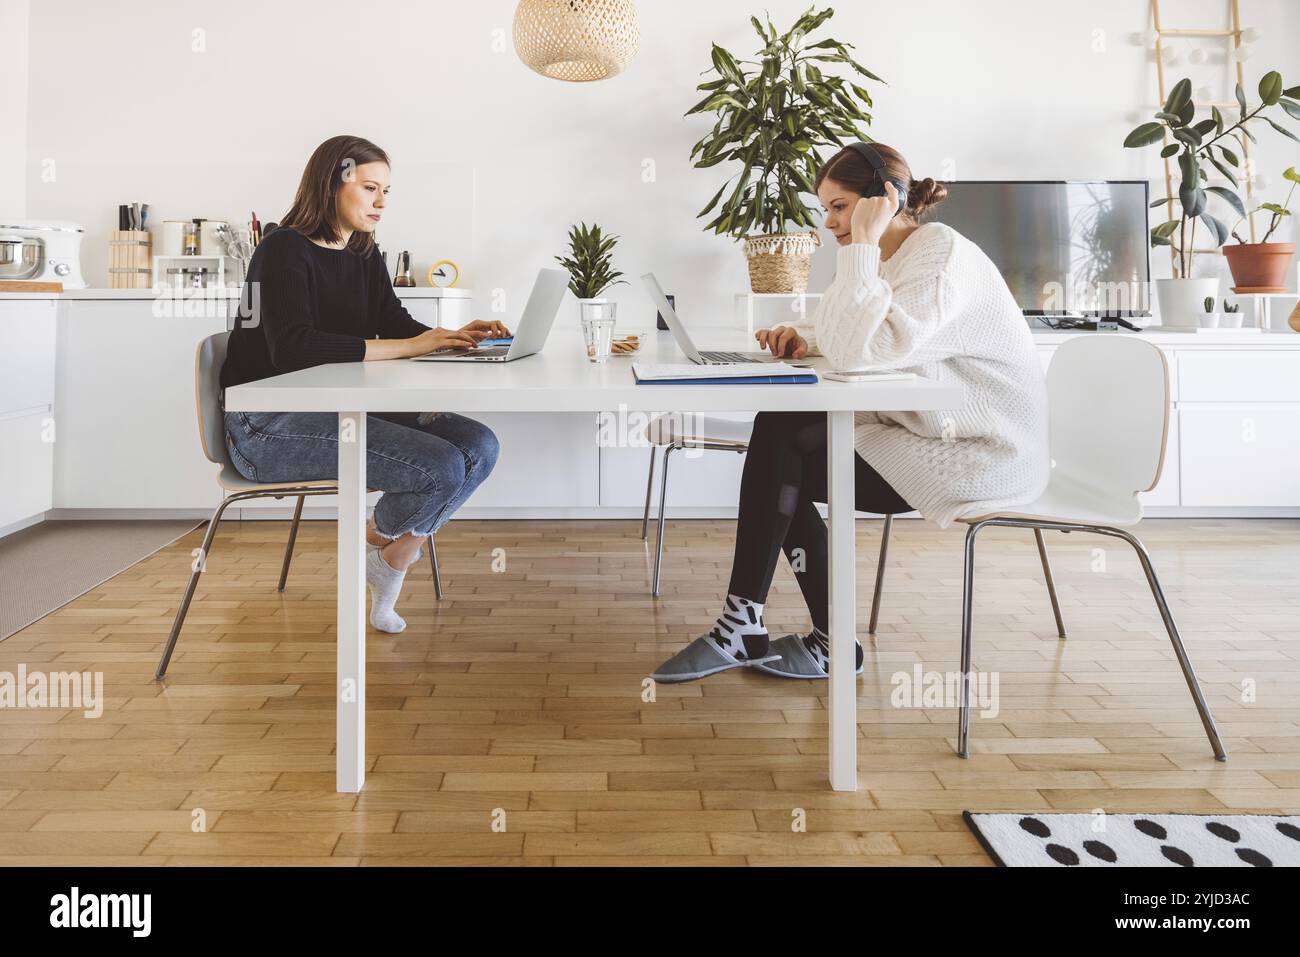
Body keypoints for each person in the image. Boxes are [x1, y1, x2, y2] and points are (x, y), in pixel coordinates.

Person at [652, 142, 1050, 682]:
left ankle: (766, 630)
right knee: (780, 437)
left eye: (839, 207)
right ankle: (796, 635)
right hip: (916, 432)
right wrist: (804, 335)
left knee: (780, 461)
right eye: (827, 210)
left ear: (885, 199)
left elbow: (862, 351)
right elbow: (848, 334)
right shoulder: (890, 256)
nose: (830, 223)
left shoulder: (937, 259)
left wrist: (860, 244)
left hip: (976, 455)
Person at [220, 134, 507, 634]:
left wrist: (450, 337)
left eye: (387, 192)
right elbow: (295, 348)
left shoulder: (363, 249)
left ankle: (389, 552)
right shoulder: (282, 249)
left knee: (480, 444)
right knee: (439, 466)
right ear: (332, 184)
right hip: (264, 427)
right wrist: (414, 347)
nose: (381, 202)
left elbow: (392, 320)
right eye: (370, 188)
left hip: (337, 406)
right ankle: (387, 551)